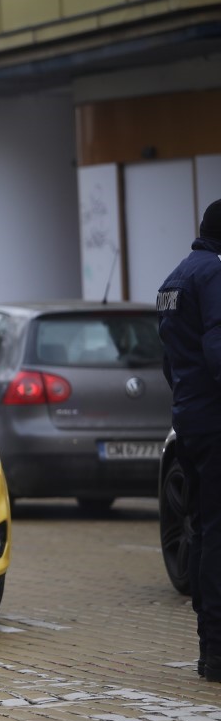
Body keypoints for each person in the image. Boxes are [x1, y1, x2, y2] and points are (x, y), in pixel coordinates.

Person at [158, 198, 221, 682]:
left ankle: (210, 647)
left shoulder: (175, 279)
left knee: (202, 528)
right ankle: (217, 653)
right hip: (215, 422)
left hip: (191, 423)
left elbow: (170, 364)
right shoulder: (213, 275)